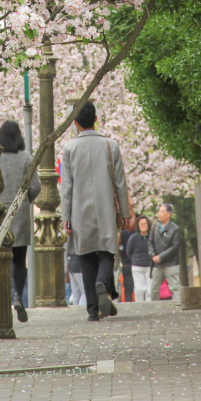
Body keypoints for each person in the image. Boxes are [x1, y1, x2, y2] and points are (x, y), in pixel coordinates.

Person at [61, 100, 132, 321]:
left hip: (79, 212)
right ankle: (104, 283)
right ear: (95, 120)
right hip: (106, 209)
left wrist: (66, 217)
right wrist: (126, 213)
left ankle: (92, 310)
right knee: (107, 252)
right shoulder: (111, 146)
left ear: (75, 123)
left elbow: (67, 188)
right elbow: (120, 183)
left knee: (86, 257)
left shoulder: (69, 149)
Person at [0, 119, 41, 323]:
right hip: (20, 211)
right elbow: (36, 186)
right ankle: (18, 296)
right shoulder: (26, 158)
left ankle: (3, 297)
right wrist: (25, 201)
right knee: (19, 258)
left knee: (1, 257)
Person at [148, 202, 182, 303]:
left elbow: (175, 247)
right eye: (159, 211)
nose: (159, 214)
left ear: (168, 214)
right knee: (154, 288)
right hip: (157, 264)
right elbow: (149, 242)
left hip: (171, 263)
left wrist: (161, 257)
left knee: (175, 287)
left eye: (162, 212)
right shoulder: (154, 228)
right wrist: (153, 255)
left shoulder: (175, 229)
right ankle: (153, 307)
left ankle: (178, 305)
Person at [126, 214, 152, 301]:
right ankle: (139, 305)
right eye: (141, 224)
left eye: (145, 224)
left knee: (150, 290)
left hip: (150, 266)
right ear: (138, 226)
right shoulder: (133, 238)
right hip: (137, 266)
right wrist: (135, 259)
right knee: (139, 289)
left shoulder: (152, 237)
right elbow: (128, 252)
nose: (143, 226)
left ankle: (150, 306)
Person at [118, 201, 136, 302]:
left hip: (126, 263)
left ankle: (129, 304)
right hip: (138, 263)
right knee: (139, 287)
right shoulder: (138, 232)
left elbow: (118, 246)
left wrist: (121, 253)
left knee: (128, 289)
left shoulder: (122, 232)